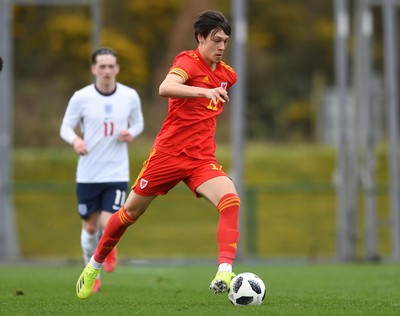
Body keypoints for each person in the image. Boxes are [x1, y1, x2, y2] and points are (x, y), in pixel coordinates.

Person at [75, 10, 240, 299]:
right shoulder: (187, 61)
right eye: (216, 40)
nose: (221, 46)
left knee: (230, 200)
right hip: (168, 156)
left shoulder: (228, 75)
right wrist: (204, 92)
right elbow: (166, 87)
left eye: (225, 41)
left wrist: (213, 92)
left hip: (201, 159)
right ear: (201, 38)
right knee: (129, 213)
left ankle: (224, 270)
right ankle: (94, 266)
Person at [61, 47, 144, 293]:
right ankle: (91, 272)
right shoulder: (81, 97)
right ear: (94, 68)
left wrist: (132, 132)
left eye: (111, 66)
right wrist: (75, 140)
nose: (107, 70)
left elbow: (138, 122)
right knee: (90, 228)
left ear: (117, 68)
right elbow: (65, 127)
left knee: (109, 224)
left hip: (116, 172)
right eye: (102, 66)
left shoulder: (129, 96)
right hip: (87, 174)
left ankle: (106, 254)